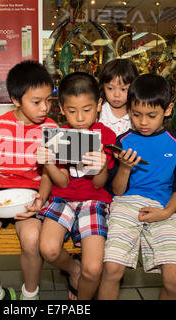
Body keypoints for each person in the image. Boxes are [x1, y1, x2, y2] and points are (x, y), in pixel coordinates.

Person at [98, 73, 176, 300]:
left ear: (168, 109)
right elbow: (117, 191)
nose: (143, 122)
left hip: (165, 207)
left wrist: (165, 212)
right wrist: (124, 168)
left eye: (151, 115)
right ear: (129, 110)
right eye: (136, 115)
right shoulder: (122, 141)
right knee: (112, 269)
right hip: (125, 204)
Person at [0, 60, 58, 300]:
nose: (44, 108)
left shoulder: (51, 128)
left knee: (32, 240)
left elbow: (48, 174)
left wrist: (41, 199)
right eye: (37, 102)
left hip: (31, 193)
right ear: (16, 100)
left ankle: (30, 295)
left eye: (48, 100)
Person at [36, 72, 116, 300]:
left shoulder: (106, 136)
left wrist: (102, 166)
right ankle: (73, 270)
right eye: (72, 111)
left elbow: (100, 185)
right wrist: (49, 163)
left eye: (87, 109)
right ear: (61, 108)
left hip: (94, 201)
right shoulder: (58, 135)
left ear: (99, 105)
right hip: (63, 199)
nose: (79, 117)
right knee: (48, 249)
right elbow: (61, 181)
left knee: (93, 268)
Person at [98, 58, 139, 137]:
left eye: (123, 89)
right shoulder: (98, 112)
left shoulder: (137, 114)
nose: (116, 95)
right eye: (110, 88)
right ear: (103, 87)